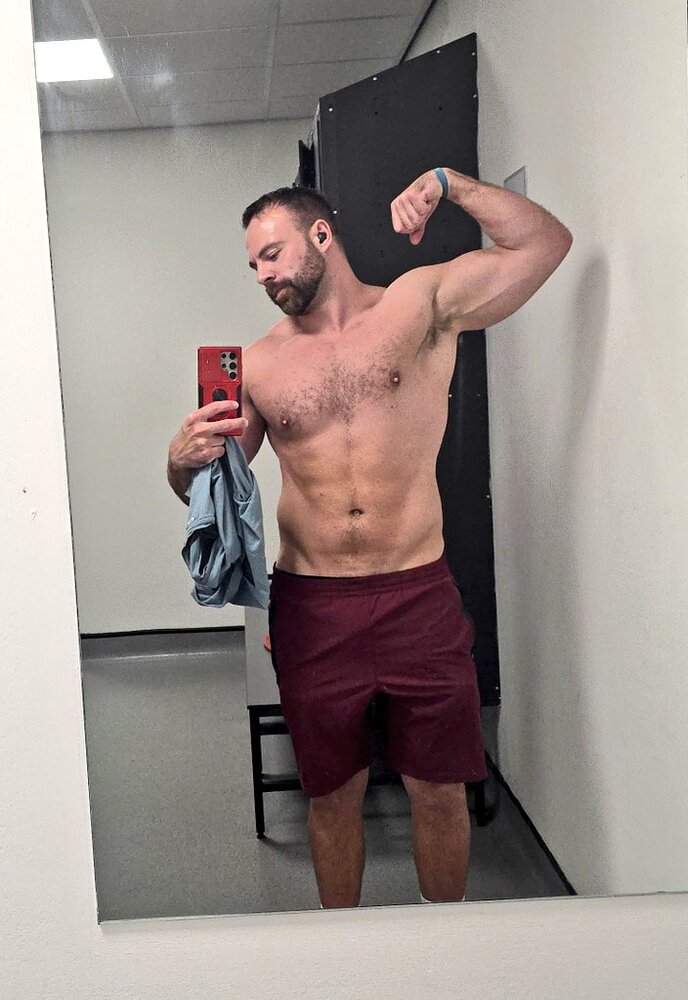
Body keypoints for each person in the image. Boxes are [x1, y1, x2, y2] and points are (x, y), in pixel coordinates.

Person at [167, 167, 572, 908]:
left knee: (440, 793)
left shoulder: (419, 305)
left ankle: (440, 946)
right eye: (253, 265)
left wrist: (451, 185)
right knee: (331, 799)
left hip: (417, 593)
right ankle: (345, 953)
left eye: (272, 254)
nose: (262, 275)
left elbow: (545, 244)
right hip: (313, 606)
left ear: (321, 235)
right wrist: (179, 461)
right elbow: (212, 497)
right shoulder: (258, 365)